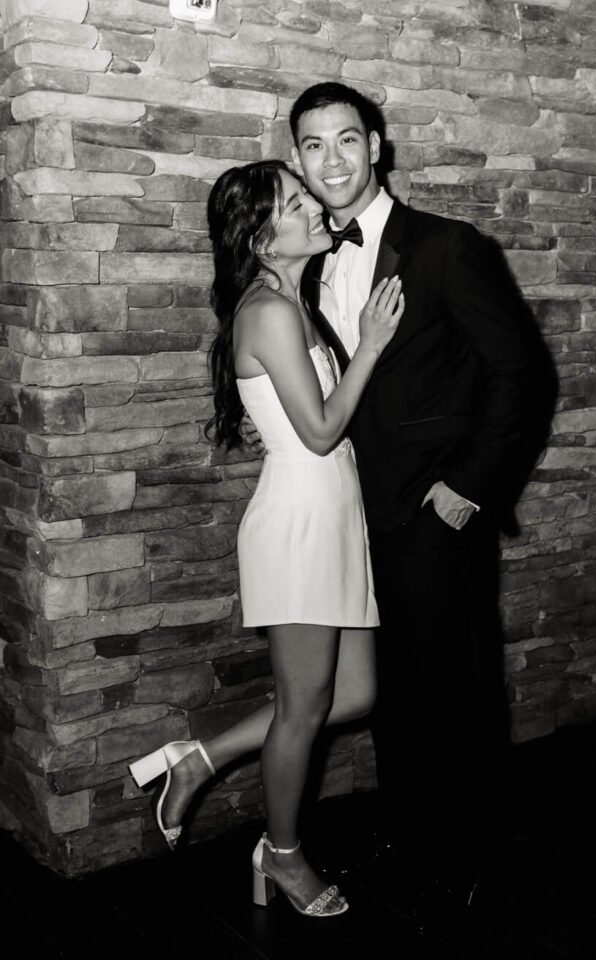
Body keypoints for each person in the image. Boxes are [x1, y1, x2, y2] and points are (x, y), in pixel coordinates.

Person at [270, 82, 556, 886]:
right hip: (352, 514)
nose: (333, 159)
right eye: (315, 145)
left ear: (377, 146)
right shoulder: (304, 255)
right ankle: (410, 835)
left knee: (453, 689)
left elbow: (518, 372)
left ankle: (469, 856)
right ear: (298, 157)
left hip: (435, 512)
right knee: (391, 693)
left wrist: (464, 489)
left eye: (348, 140)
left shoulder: (445, 246)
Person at [128, 160, 404, 918]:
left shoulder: (290, 301)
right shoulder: (271, 311)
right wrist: (374, 344)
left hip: (332, 514)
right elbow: (317, 432)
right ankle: (282, 856)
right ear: (259, 236)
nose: (314, 203)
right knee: (305, 708)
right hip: (300, 521)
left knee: (352, 694)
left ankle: (200, 758)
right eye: (294, 201)